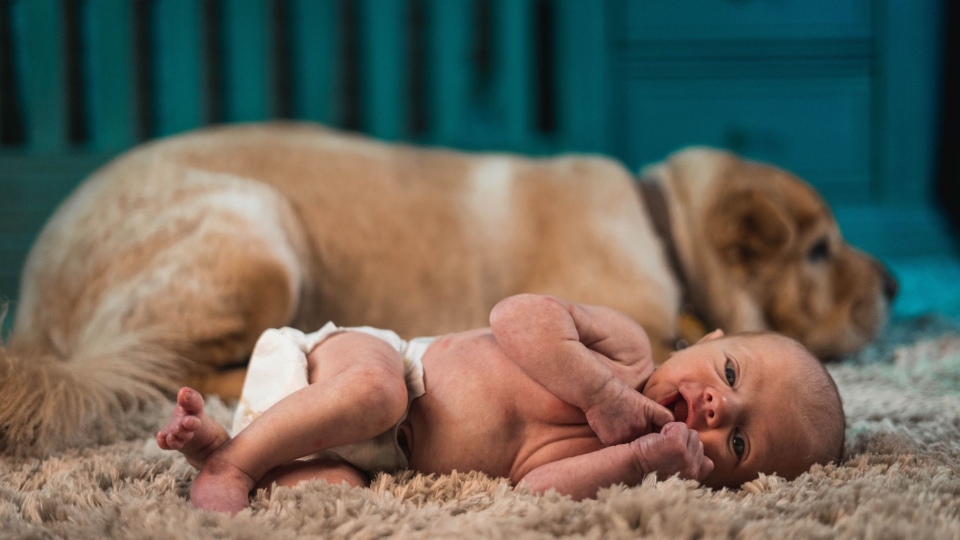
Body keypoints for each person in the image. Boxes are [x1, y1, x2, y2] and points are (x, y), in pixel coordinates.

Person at [157, 294, 845, 513]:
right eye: (729, 371)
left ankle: (227, 442)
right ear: (712, 338)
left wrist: (637, 460)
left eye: (742, 446)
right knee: (375, 394)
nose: (719, 408)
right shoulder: (627, 350)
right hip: (367, 360)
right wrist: (601, 392)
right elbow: (515, 315)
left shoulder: (612, 456)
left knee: (336, 494)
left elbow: (535, 485)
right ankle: (232, 468)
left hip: (366, 449)